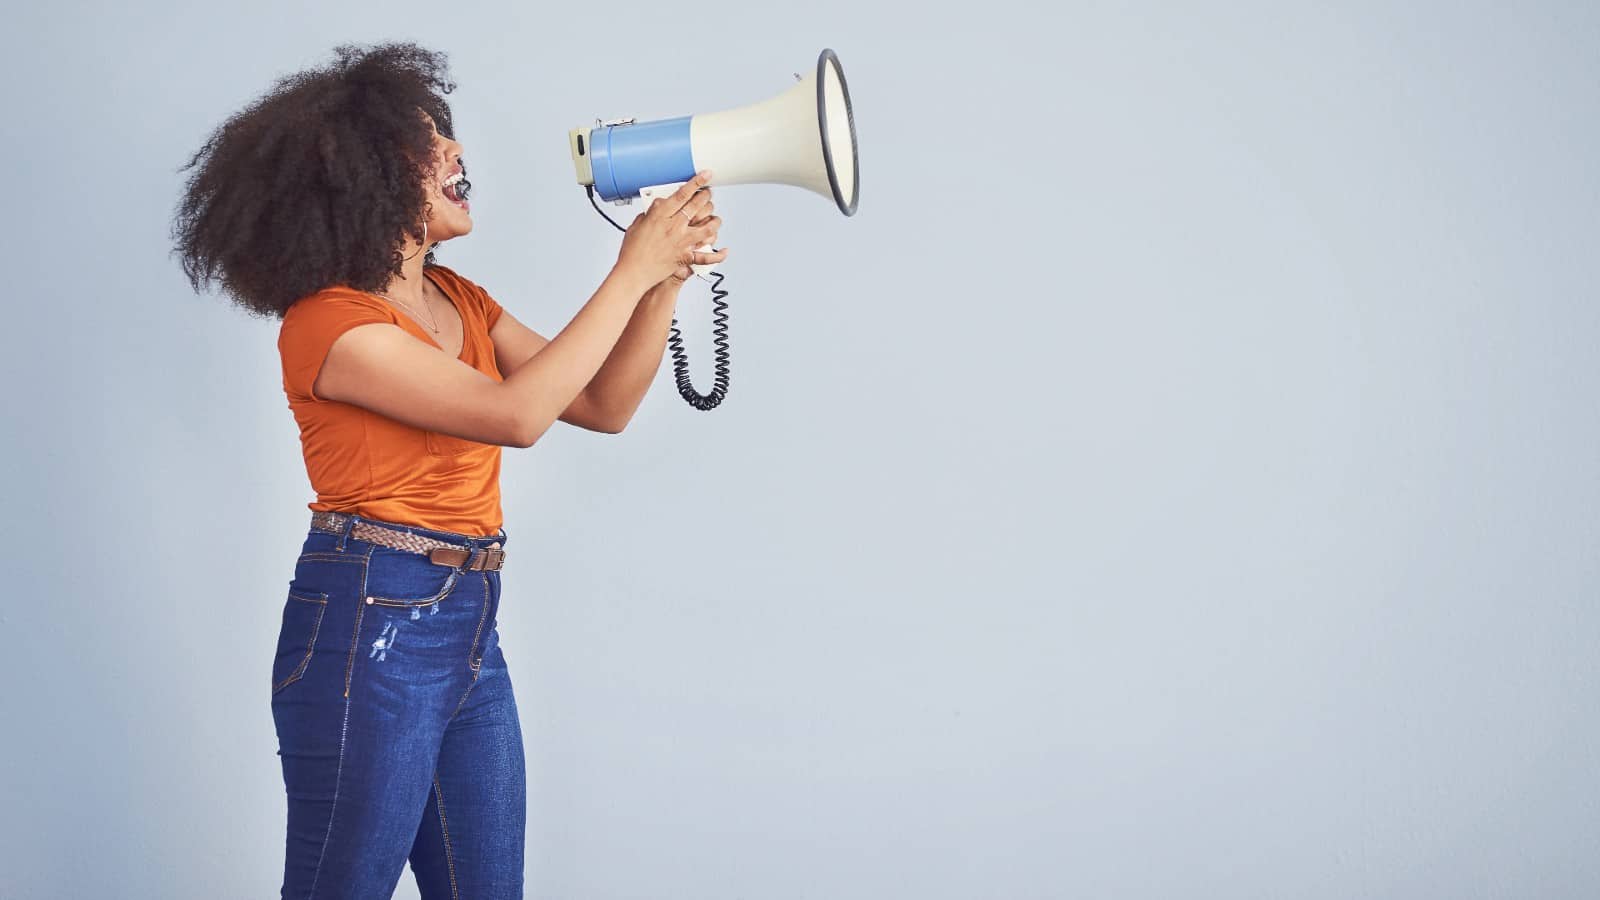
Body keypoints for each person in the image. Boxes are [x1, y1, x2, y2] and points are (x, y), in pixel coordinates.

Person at [170, 41, 725, 899]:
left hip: (468, 619)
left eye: (447, 134)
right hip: (369, 619)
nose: (456, 152)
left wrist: (667, 281)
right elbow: (518, 417)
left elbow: (605, 404)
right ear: (358, 177)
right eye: (424, 143)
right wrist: (630, 267)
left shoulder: (460, 298)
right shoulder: (326, 326)